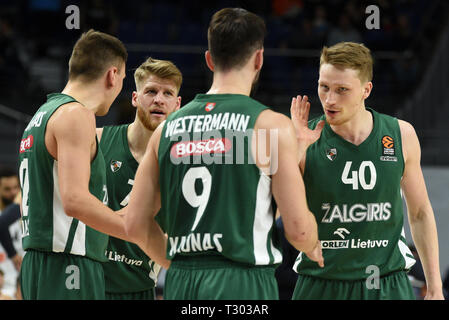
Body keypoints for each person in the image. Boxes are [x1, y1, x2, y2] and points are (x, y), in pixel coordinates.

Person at [124, 7, 323, 300]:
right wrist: (313, 243)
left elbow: (134, 223)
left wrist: (178, 264)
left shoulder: (167, 129)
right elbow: (297, 231)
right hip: (243, 282)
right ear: (259, 59)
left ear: (209, 59)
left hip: (181, 282)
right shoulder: (270, 126)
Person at [290, 41, 444, 300]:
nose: (330, 99)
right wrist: (296, 150)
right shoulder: (303, 139)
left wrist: (435, 287)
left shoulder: (400, 134)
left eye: (342, 90)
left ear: (366, 90)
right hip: (321, 283)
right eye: (324, 87)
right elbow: (269, 210)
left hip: (387, 283)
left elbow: (419, 213)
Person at [18, 29, 132, 300]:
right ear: (112, 75)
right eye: (123, 79)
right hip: (68, 265)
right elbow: (75, 200)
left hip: (39, 263)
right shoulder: (76, 114)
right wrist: (129, 227)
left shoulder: (41, 115)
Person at [98, 57, 182, 300]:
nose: (158, 99)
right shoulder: (98, 140)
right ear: (135, 98)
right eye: (151, 91)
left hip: (140, 289)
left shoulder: (183, 162)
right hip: (89, 281)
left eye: (167, 93)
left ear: (177, 104)